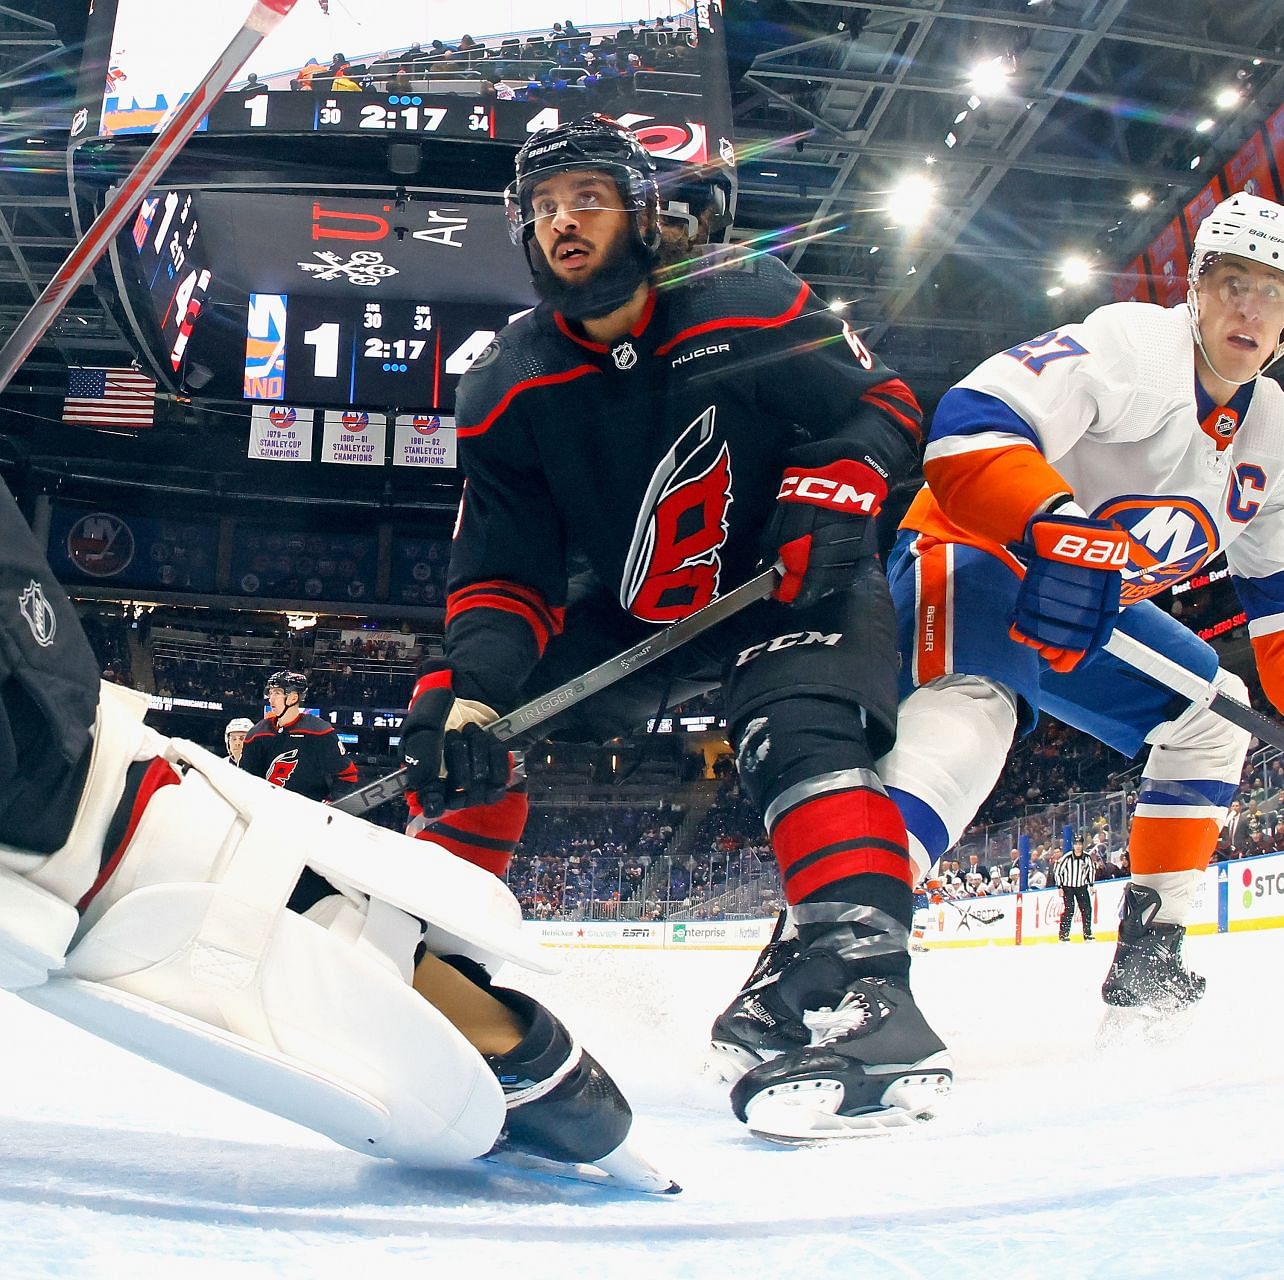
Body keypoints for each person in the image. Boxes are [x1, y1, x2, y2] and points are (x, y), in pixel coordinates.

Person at [396, 116, 936, 1140]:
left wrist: (848, 475)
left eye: (586, 199)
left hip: (795, 577)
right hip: (637, 615)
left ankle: (869, 995)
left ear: (645, 211)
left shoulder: (749, 299)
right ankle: (434, 965)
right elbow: (507, 573)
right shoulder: (504, 383)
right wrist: (477, 690)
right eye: (543, 209)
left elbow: (887, 405)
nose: (562, 222)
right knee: (457, 717)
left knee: (801, 734)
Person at [0, 474, 664, 1188]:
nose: (275, 699)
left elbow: (329, 786)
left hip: (173, 817)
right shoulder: (256, 737)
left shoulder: (315, 737)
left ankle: (344, 936)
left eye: (283, 690)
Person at [851, 192, 1284, 1015]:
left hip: (1083, 606)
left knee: (1216, 713)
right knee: (974, 714)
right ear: (1194, 289)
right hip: (969, 547)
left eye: (1272, 293)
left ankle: (1152, 953)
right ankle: (838, 950)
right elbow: (969, 424)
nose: (1248, 308)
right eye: (1231, 281)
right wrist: (1060, 529)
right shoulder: (1133, 346)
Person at [239, 671, 360, 802]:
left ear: (293, 698)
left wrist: (332, 801)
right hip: (270, 811)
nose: (271, 698)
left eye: (278, 693)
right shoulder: (256, 734)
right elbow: (247, 779)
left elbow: (347, 776)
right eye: (271, 692)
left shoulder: (319, 732)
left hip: (310, 813)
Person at [1054, 841, 1095, 941]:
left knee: (1086, 909)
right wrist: (1059, 887)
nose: (1078, 847)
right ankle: (1063, 934)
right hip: (1068, 887)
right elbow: (1058, 871)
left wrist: (1091, 885)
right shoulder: (1067, 857)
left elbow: (1091, 870)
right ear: (1073, 846)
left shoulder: (1087, 857)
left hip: (1081, 886)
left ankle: (1087, 933)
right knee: (1069, 909)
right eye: (1076, 844)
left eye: (1080, 844)